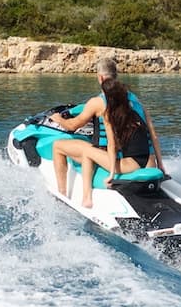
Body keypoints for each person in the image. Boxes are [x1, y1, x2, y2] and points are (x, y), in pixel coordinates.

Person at [45, 56, 164, 208]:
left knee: (60, 146)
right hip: (149, 160)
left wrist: (58, 119)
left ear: (100, 77)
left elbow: (72, 126)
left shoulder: (100, 104)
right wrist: (161, 165)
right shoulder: (133, 99)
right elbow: (152, 135)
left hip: (123, 161)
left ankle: (64, 195)